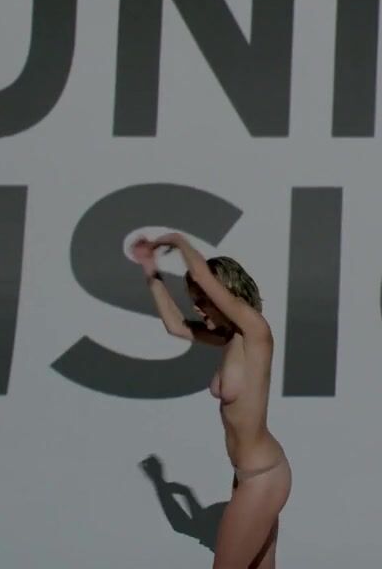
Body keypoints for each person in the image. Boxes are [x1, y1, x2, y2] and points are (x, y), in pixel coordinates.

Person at [130, 232, 291, 569]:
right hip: (247, 476)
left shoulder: (256, 332)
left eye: (204, 299)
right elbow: (175, 326)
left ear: (228, 293)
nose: (197, 306)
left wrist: (178, 241)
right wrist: (150, 269)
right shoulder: (228, 338)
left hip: (262, 477)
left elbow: (204, 276)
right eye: (195, 299)